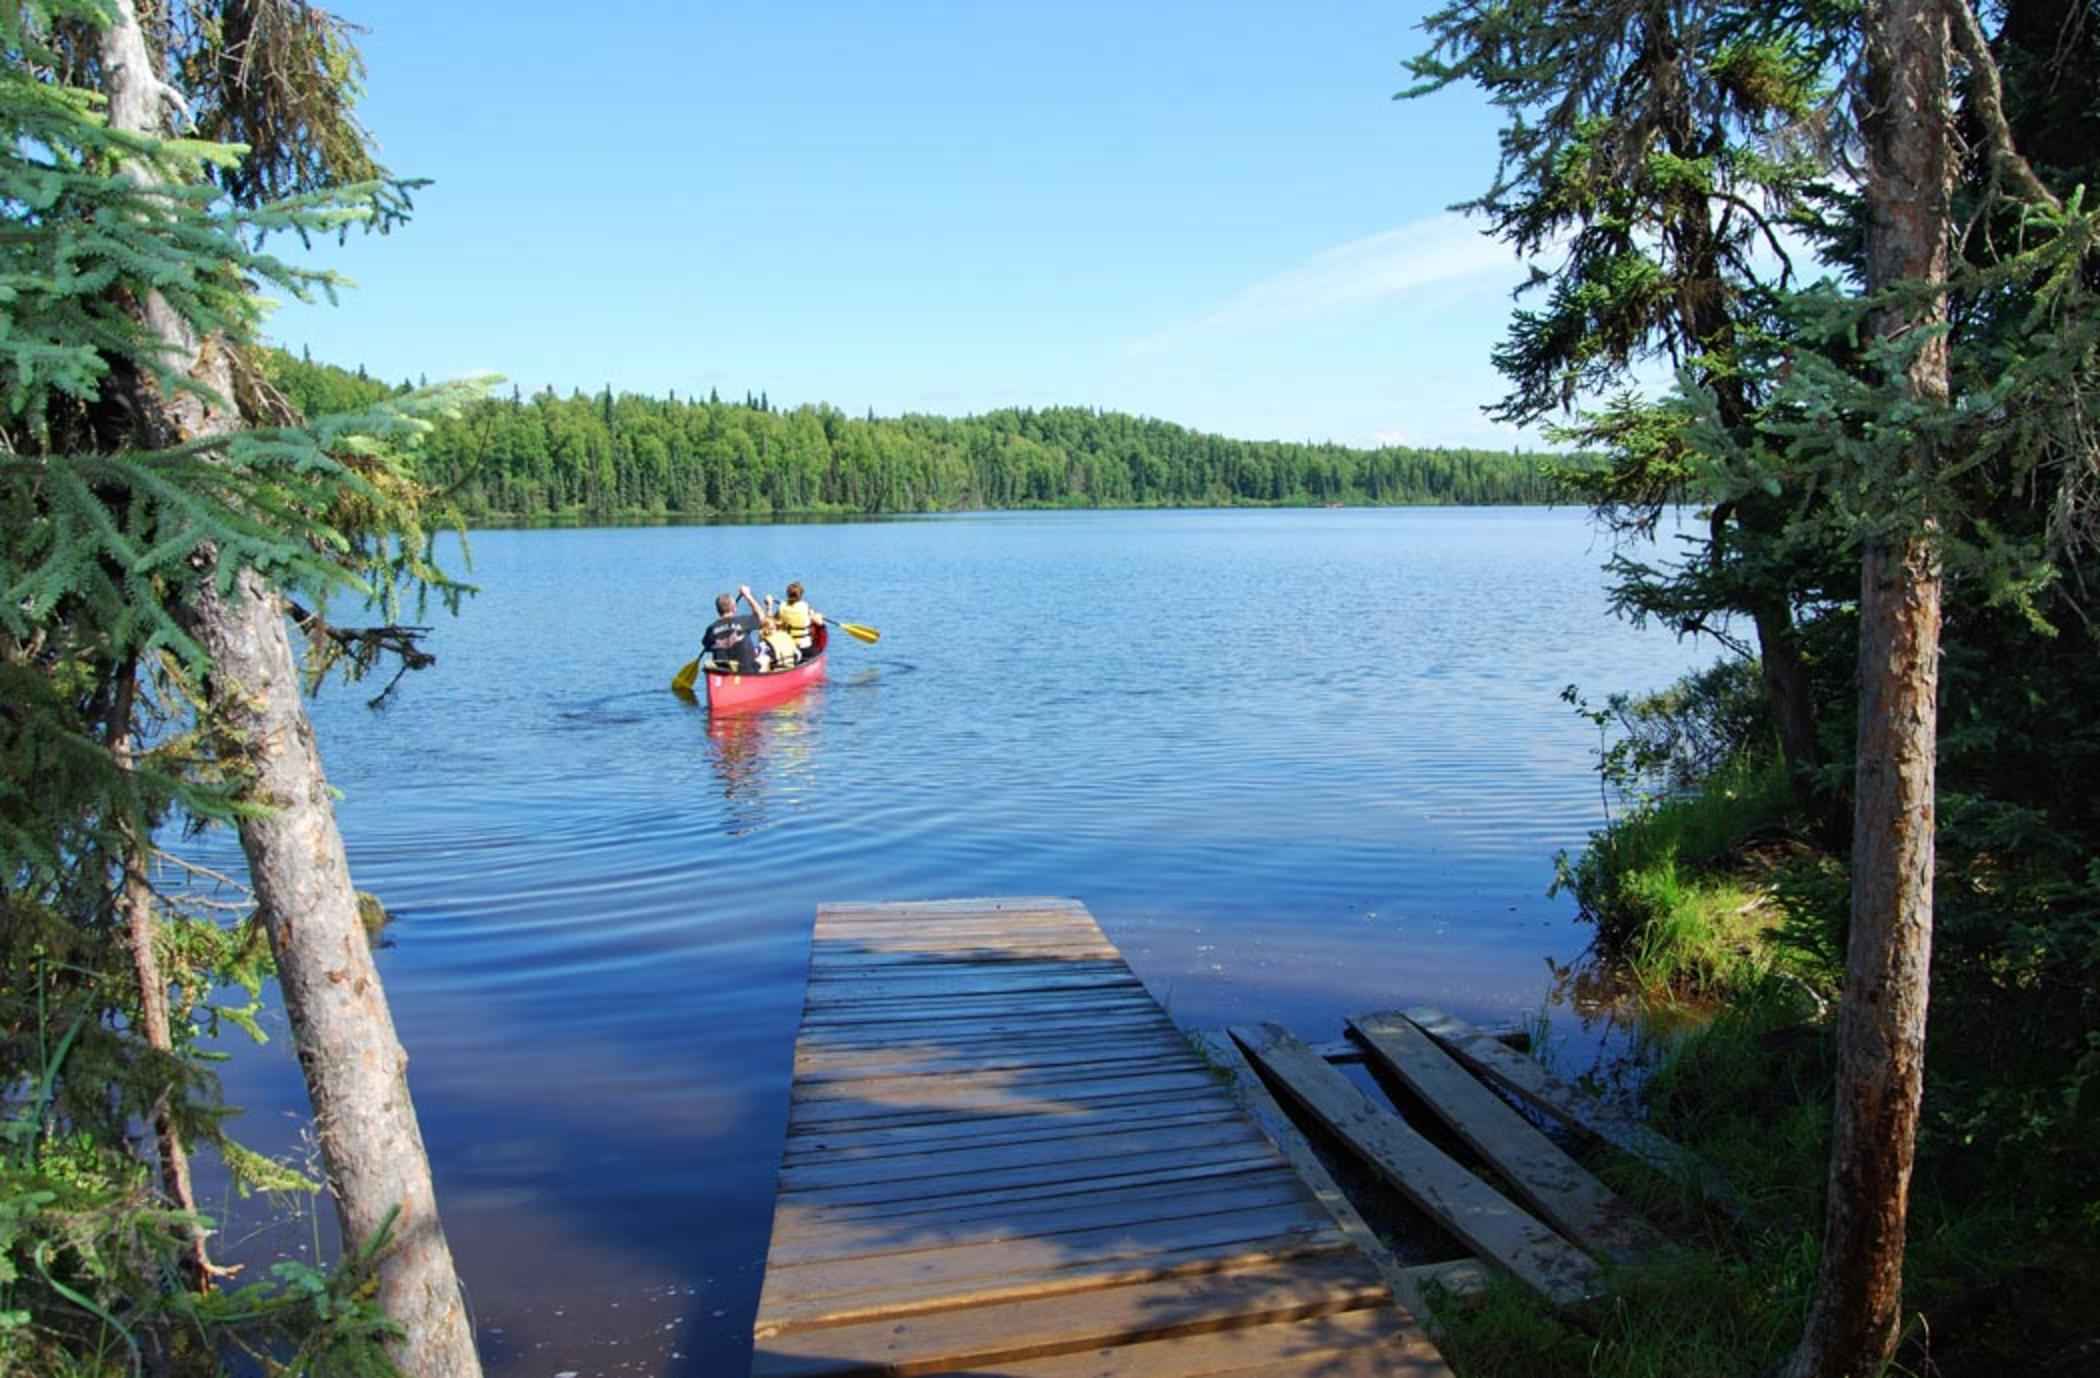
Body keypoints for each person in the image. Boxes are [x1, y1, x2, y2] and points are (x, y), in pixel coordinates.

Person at [700, 585, 765, 674]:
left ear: (718, 610)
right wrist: (747, 595)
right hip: (746, 672)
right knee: (764, 660)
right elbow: (761, 617)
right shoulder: (743, 622)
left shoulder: (711, 629)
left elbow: (706, 645)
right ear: (734, 608)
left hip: (722, 673)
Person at [775, 580, 825, 653]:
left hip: (786, 646)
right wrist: (819, 616)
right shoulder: (805, 606)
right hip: (804, 647)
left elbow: (773, 620)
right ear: (800, 595)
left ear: (787, 594)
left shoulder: (782, 607)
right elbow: (819, 622)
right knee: (821, 627)